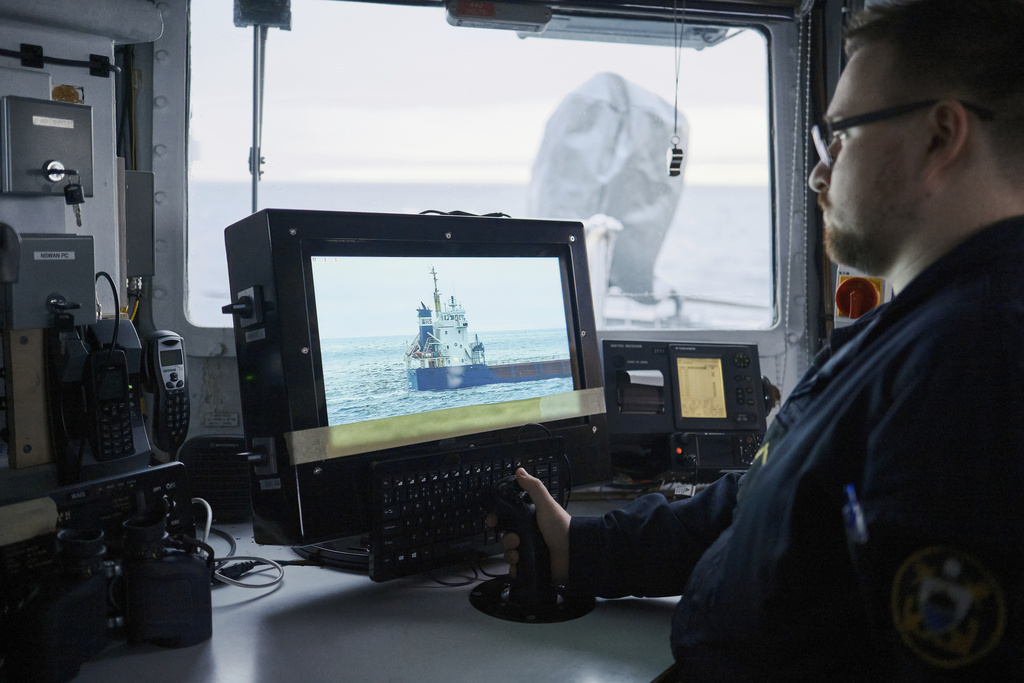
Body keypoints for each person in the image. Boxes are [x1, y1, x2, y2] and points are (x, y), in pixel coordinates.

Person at [493, 0, 1024, 679]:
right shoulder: (915, 329)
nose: (818, 171)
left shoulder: (979, 361)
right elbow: (762, 502)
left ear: (939, 136)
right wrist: (581, 549)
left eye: (842, 135)